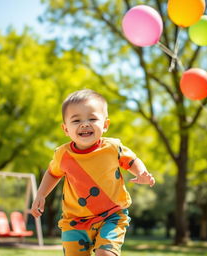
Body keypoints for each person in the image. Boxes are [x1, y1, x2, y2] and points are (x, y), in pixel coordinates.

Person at [31, 89, 155, 256]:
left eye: (92, 118)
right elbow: (53, 173)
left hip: (112, 215)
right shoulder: (63, 155)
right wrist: (41, 194)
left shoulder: (112, 148)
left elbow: (132, 160)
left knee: (106, 253)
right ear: (66, 129)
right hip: (74, 221)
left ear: (105, 125)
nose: (85, 124)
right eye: (76, 120)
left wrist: (141, 172)